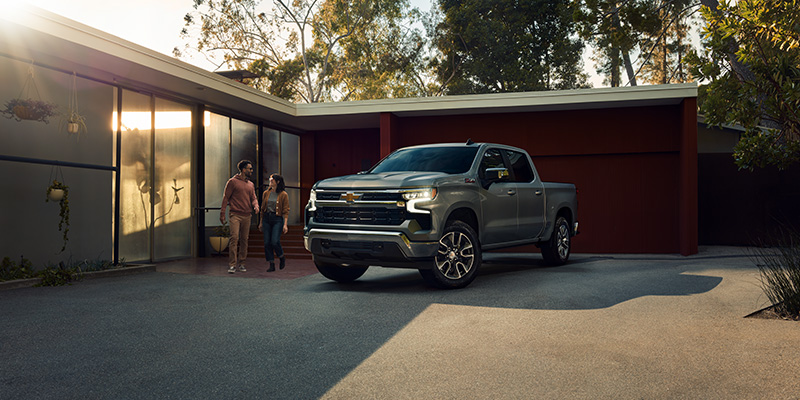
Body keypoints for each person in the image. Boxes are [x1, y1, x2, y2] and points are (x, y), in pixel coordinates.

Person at [220, 160, 259, 274]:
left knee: (244, 240)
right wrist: (222, 213)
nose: (251, 170)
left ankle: (242, 263)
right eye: (249, 168)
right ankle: (232, 265)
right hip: (235, 215)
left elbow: (253, 198)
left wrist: (256, 206)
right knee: (234, 238)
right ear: (243, 169)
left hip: (247, 215)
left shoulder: (251, 184)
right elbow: (226, 197)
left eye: (251, 168)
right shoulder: (232, 182)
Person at [258, 173, 290, 272]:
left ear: (278, 182)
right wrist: (260, 222)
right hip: (267, 219)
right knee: (267, 242)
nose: (270, 182)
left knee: (274, 241)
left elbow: (286, 210)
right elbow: (262, 209)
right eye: (270, 180)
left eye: (272, 180)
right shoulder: (266, 193)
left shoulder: (283, 194)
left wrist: (285, 225)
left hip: (277, 219)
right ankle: (271, 263)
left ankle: (281, 257)